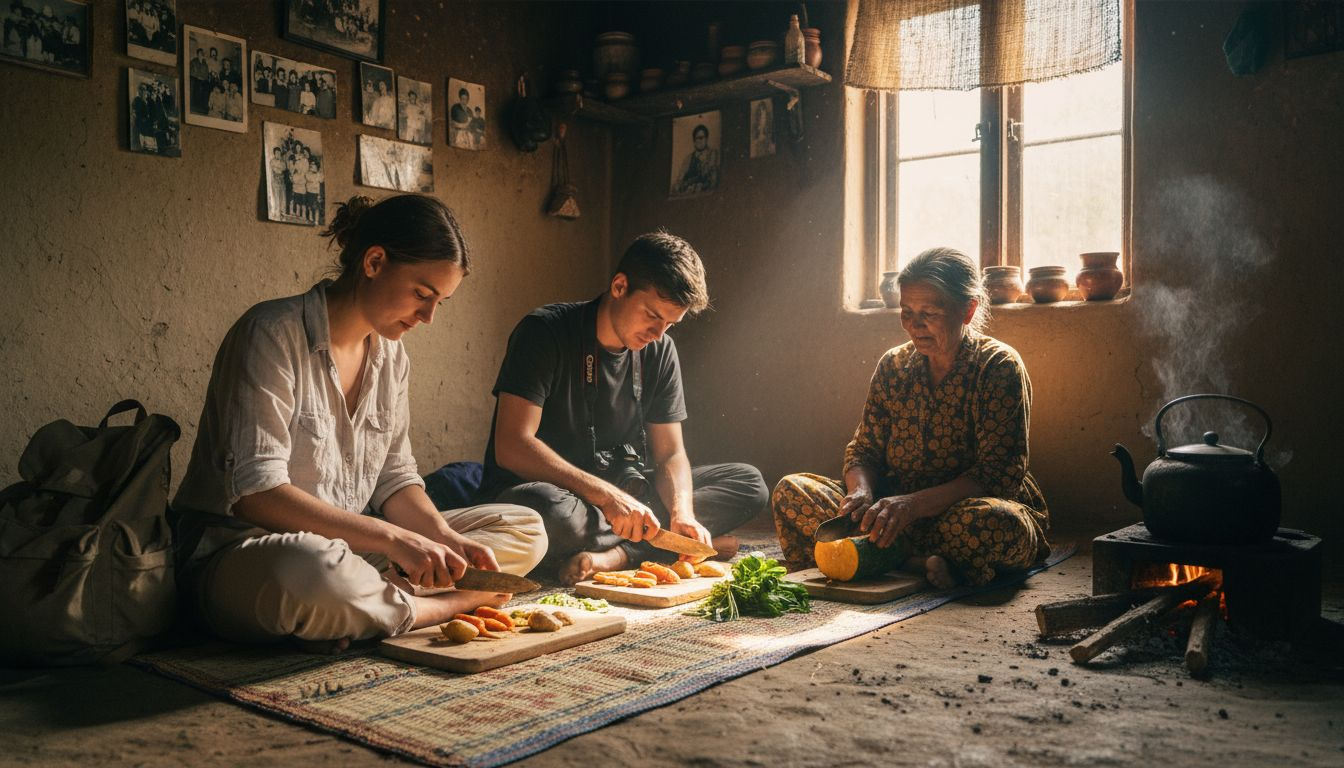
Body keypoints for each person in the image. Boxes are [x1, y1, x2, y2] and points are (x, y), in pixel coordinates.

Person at [173, 194, 548, 651]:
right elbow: (256, 495)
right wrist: (394, 539)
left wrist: (443, 538)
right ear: (373, 262)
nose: (428, 316)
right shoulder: (270, 334)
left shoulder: (392, 356)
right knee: (312, 569)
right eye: (422, 294)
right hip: (247, 556)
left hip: (351, 552)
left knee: (525, 526)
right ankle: (439, 606)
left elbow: (395, 479)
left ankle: (357, 609)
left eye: (440, 302)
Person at [482, 232, 768, 585]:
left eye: (670, 324)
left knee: (748, 482)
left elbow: (670, 453)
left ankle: (619, 555)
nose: (658, 333)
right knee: (550, 514)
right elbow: (512, 445)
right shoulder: (544, 331)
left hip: (624, 496)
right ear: (619, 286)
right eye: (652, 315)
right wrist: (607, 497)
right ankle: (655, 546)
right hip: (552, 495)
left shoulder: (660, 350)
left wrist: (682, 512)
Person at [771, 247, 1050, 589]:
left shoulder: (998, 366)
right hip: (890, 511)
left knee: (993, 523)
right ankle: (917, 563)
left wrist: (913, 505)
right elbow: (864, 451)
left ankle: (875, 558)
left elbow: (999, 473)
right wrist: (861, 492)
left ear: (967, 310)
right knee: (792, 491)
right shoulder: (894, 365)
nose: (914, 326)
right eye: (906, 312)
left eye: (929, 313)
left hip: (958, 512)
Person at [672, 123, 720, 196]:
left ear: (706, 139)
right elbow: (680, 179)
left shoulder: (713, 154)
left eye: (701, 138)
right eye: (696, 138)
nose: (699, 141)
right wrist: (679, 186)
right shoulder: (688, 159)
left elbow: (713, 179)